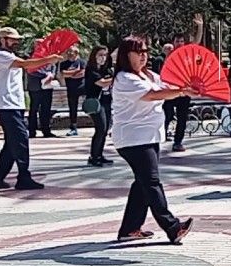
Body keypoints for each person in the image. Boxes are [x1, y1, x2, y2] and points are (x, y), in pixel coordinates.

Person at [110, 36, 194, 243]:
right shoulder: (125, 79)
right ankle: (172, 226)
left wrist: (187, 85)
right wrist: (181, 91)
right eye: (138, 52)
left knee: (142, 183)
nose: (143, 56)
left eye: (145, 51)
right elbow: (153, 95)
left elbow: (167, 85)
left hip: (148, 137)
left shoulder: (147, 75)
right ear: (125, 55)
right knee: (151, 182)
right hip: (133, 138)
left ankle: (129, 229)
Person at [0, 28, 64, 190]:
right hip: (8, 106)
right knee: (21, 140)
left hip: (13, 105)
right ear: (3, 40)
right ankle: (23, 176)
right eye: (12, 39)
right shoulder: (2, 56)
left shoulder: (9, 56)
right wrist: (47, 59)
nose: (16, 42)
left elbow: (26, 65)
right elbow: (25, 65)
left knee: (11, 143)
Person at [163, 15, 204, 152]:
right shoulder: (170, 52)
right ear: (173, 42)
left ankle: (177, 142)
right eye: (177, 41)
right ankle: (160, 135)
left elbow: (197, 42)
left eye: (181, 41)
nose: (180, 43)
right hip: (170, 90)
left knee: (182, 117)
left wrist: (200, 26)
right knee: (167, 114)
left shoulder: (188, 53)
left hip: (184, 90)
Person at [84, 45, 115, 167]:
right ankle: (94, 156)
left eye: (105, 55)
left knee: (105, 129)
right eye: (100, 55)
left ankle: (99, 154)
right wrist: (116, 78)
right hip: (95, 103)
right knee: (100, 128)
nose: (103, 58)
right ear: (94, 56)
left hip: (106, 101)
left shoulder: (106, 70)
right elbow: (101, 83)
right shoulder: (91, 70)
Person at [26, 61, 57, 139]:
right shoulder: (34, 56)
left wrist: (51, 75)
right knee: (34, 109)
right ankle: (32, 131)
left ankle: (46, 130)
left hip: (47, 86)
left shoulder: (50, 56)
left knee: (46, 109)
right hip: (35, 86)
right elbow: (30, 69)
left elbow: (54, 67)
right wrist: (45, 75)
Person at [60, 48, 87, 137]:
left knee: (90, 105)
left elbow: (82, 73)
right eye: (68, 52)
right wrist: (75, 72)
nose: (69, 53)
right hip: (71, 89)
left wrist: (70, 74)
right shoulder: (64, 64)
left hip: (82, 88)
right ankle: (73, 128)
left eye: (71, 52)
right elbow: (63, 74)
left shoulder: (82, 62)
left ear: (76, 53)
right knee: (72, 108)